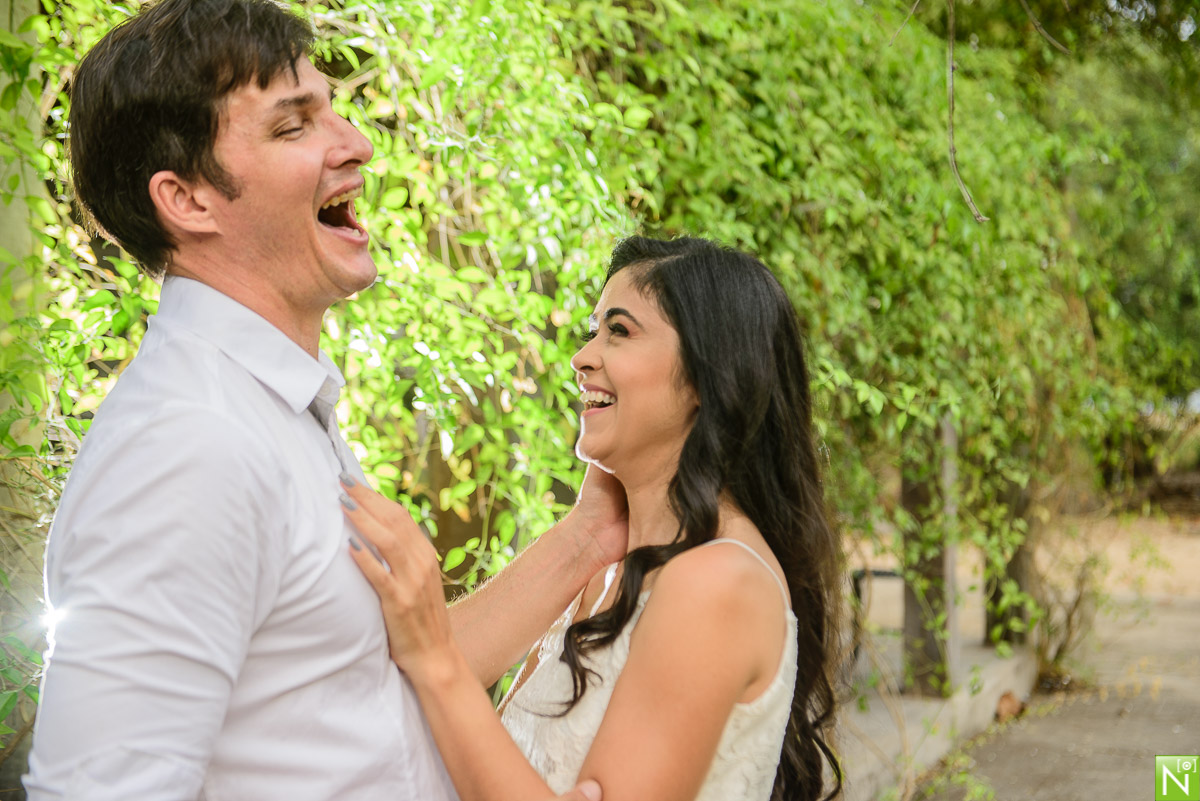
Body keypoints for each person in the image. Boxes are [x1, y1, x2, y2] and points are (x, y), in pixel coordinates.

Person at [25, 1, 624, 799]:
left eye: (333, 109)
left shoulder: (271, 408)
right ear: (188, 200)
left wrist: (592, 533)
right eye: (293, 126)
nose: (357, 143)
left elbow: (381, 686)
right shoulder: (186, 448)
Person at [343, 236, 844, 801]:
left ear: (710, 376)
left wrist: (435, 659)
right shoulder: (607, 569)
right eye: (593, 329)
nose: (583, 357)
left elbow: (434, 671)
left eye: (620, 331)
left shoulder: (716, 582)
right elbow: (397, 683)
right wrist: (583, 538)